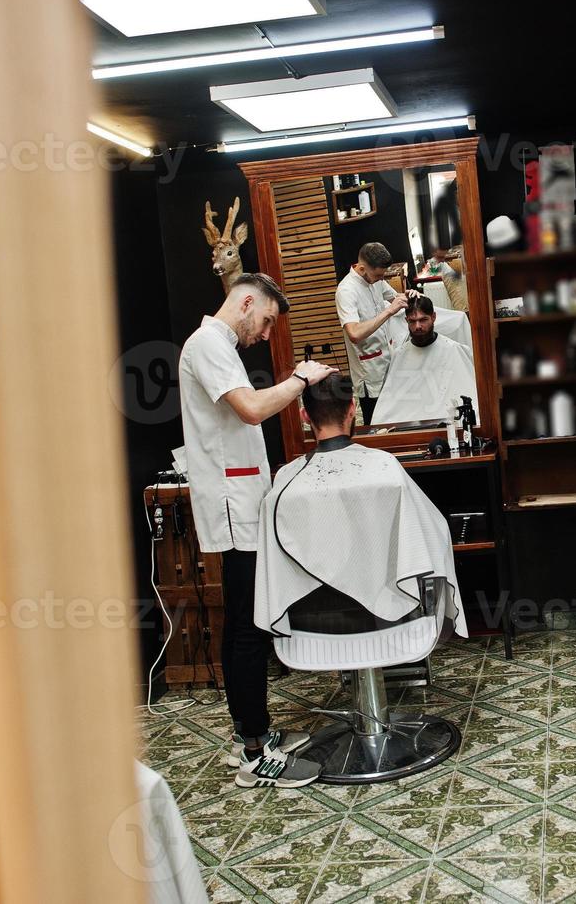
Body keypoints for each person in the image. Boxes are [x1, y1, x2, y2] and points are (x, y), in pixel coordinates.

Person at [177, 272, 337, 789]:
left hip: (240, 500)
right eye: (267, 320)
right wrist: (302, 379)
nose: (267, 333)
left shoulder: (219, 346)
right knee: (246, 630)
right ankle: (253, 752)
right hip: (232, 505)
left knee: (244, 625)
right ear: (247, 301)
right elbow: (250, 411)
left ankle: (252, 732)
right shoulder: (206, 344)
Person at [255, 374, 467, 640]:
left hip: (311, 626)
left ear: (304, 416)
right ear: (353, 409)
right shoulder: (386, 467)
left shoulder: (285, 482)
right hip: (392, 621)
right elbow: (434, 535)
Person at [335, 242, 416, 424]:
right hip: (369, 371)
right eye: (378, 275)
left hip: (389, 359)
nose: (382, 279)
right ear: (362, 268)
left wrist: (406, 296)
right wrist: (388, 312)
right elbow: (354, 333)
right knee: (376, 423)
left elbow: (394, 297)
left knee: (395, 416)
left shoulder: (376, 280)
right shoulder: (346, 291)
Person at [370, 295, 478, 426]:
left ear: (433, 317)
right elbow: (387, 408)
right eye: (412, 321)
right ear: (406, 321)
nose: (418, 326)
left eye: (423, 320)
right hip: (411, 427)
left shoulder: (455, 349)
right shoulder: (399, 355)